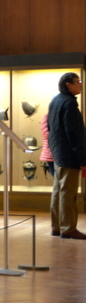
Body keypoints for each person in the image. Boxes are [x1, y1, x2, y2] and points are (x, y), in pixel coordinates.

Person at [48, 72, 86, 239]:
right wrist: (82, 158)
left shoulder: (56, 100)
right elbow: (74, 133)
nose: (81, 85)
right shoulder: (69, 103)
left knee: (58, 191)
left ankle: (57, 227)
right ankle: (68, 228)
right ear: (68, 85)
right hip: (69, 155)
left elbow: (51, 129)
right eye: (78, 82)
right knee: (68, 193)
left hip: (58, 153)